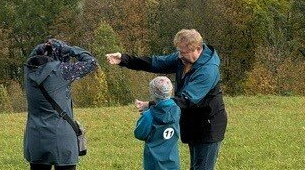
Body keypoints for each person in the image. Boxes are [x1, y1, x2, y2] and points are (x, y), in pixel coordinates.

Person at [107, 29, 227, 170]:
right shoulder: (183, 59)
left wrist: (151, 104)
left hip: (208, 126)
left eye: (183, 52)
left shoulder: (208, 70)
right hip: (193, 123)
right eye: (179, 51)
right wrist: (124, 59)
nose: (179, 55)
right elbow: (155, 63)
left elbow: (186, 100)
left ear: (198, 48)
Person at [24, 39, 98, 170]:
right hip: (62, 138)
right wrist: (70, 49)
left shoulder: (28, 72)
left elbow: (32, 58)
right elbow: (91, 62)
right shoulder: (62, 71)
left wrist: (41, 47)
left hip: (35, 138)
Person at [134, 76, 180, 170]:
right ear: (171, 91)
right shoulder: (177, 110)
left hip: (154, 162)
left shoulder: (149, 115)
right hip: (173, 160)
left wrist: (144, 117)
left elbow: (139, 134)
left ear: (153, 93)